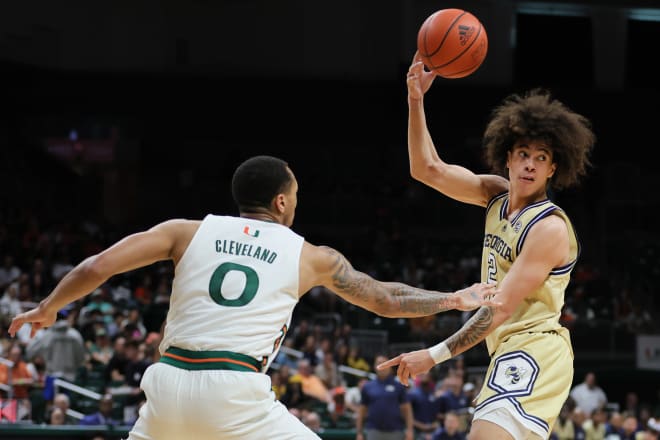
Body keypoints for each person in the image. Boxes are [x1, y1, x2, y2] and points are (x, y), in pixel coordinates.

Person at [9, 155, 498, 440]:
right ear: (283, 201)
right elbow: (386, 299)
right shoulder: (309, 255)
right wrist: (455, 298)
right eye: (297, 196)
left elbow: (98, 266)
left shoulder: (186, 231)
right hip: (233, 393)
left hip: (166, 387)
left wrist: (49, 306)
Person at [378, 52, 596, 440]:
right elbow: (426, 169)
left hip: (536, 348)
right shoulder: (495, 194)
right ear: (507, 158)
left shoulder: (549, 228)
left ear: (553, 169)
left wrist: (433, 355)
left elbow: (500, 309)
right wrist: (415, 100)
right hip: (508, 348)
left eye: (541, 158)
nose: (530, 165)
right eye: (524, 155)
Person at [356, 353, 414, 440]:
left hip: (395, 431)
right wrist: (359, 433)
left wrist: (410, 430)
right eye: (379, 363)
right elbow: (361, 411)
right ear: (375, 366)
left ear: (390, 366)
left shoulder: (399, 386)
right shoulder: (367, 387)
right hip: (373, 431)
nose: (382, 366)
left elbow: (407, 410)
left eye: (384, 363)